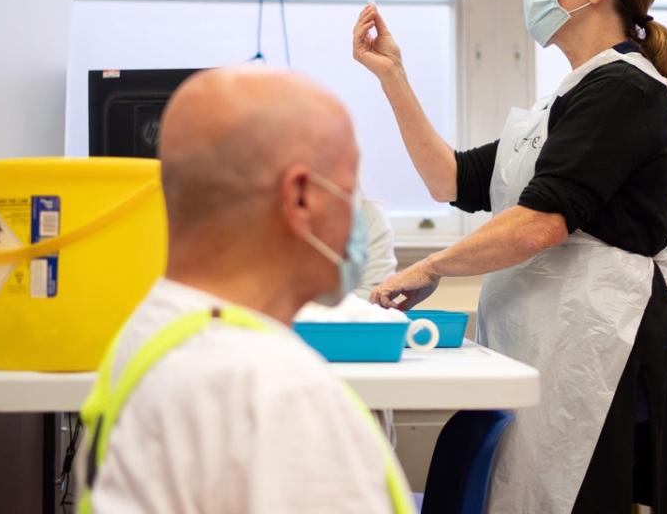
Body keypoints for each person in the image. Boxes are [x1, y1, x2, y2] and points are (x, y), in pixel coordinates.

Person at [352, 0, 667, 513]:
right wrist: (393, 76)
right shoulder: (563, 100)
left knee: (578, 493)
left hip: (595, 340)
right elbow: (449, 179)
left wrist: (431, 266)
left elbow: (541, 222)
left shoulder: (624, 90)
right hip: (547, 332)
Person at [77, 66, 415, 513]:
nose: (357, 215)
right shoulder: (278, 396)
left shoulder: (151, 334)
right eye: (349, 191)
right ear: (300, 198)